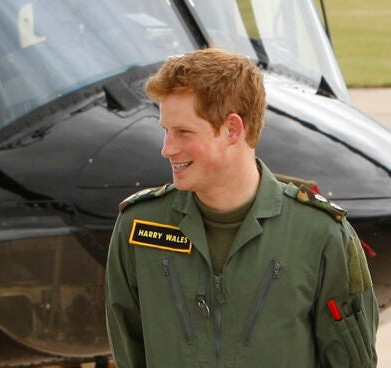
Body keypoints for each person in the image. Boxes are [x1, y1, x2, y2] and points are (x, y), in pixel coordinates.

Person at [105, 47, 378, 367]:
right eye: (166, 131)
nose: (167, 149)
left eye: (183, 132)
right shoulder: (138, 228)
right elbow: (129, 352)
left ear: (233, 130)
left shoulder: (321, 235)